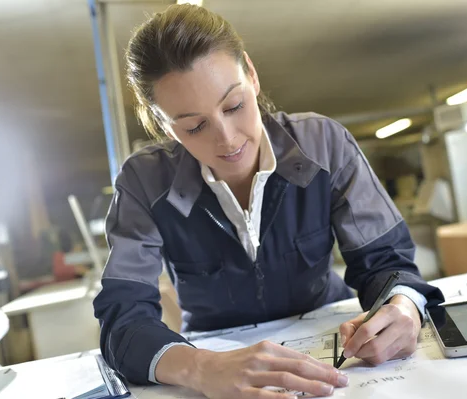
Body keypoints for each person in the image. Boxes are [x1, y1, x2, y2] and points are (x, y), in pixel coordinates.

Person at [93, 4, 444, 399]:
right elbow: (123, 319)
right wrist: (201, 368)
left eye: (234, 106)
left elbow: (386, 260)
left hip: (330, 341)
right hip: (214, 353)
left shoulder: (324, 145)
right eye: (194, 126)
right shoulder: (143, 181)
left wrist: (402, 306)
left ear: (252, 75)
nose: (226, 139)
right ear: (162, 125)